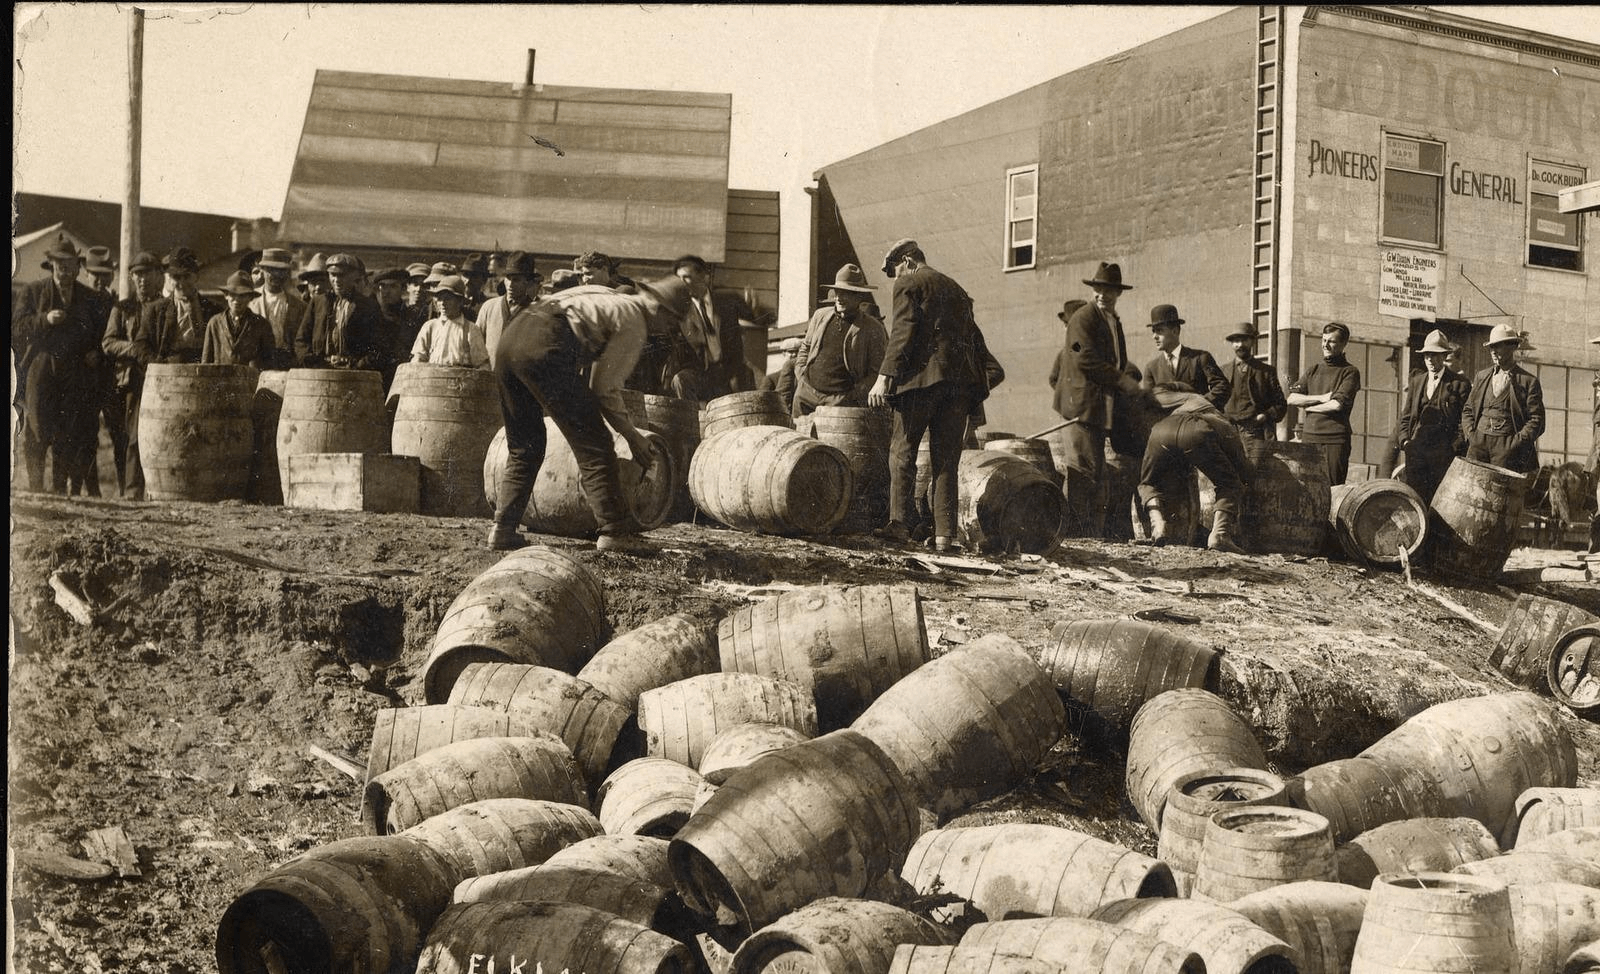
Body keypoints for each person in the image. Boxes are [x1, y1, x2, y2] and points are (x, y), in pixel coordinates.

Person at [487, 276, 692, 553]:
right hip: (545, 347)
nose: (668, 330)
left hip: (510, 341)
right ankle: (614, 530)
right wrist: (632, 436)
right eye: (671, 323)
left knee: (526, 445)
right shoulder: (634, 321)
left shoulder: (604, 294)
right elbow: (603, 389)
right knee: (596, 444)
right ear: (659, 309)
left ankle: (503, 528)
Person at [867, 239, 988, 554]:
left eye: (894, 272)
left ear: (906, 262)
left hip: (920, 385)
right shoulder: (957, 290)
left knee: (902, 451)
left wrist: (884, 378)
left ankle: (899, 525)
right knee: (946, 459)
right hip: (958, 387)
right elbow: (975, 341)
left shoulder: (910, 282)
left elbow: (902, 332)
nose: (895, 279)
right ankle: (945, 534)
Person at [1052, 262, 1143, 537]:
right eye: (1099, 289)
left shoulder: (1113, 321)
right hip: (1080, 407)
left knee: (1096, 470)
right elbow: (1084, 358)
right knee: (1083, 470)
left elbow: (1119, 359)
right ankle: (1077, 535)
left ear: (1118, 293)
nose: (1103, 294)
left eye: (1109, 290)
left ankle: (1089, 533)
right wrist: (1121, 380)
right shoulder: (1083, 318)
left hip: (1098, 408)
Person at [13, 235, 107, 493]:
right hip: (41, 370)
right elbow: (18, 328)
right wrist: (45, 319)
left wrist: (95, 352)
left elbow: (103, 335)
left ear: (78, 267)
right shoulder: (32, 292)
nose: (64, 270)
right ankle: (35, 488)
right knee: (37, 429)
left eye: (69, 265)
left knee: (68, 432)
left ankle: (58, 488)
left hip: (75, 373)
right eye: (59, 264)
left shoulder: (90, 298)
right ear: (51, 265)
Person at [1132, 390, 1252, 553]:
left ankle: (1157, 524)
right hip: (1196, 432)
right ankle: (1220, 534)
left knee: (1147, 482)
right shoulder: (1224, 423)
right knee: (1230, 484)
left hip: (1161, 430)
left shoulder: (1183, 401)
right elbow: (1242, 468)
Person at [101, 250, 165, 499]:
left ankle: (151, 491)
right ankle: (131, 492)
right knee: (130, 438)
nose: (142, 280)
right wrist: (134, 350)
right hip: (130, 381)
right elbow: (108, 343)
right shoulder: (124, 308)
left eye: (147, 274)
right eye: (137, 275)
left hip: (159, 380)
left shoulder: (165, 307)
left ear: (159, 277)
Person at [791, 263, 886, 419]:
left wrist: (851, 397)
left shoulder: (872, 328)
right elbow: (805, 347)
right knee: (797, 441)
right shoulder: (820, 316)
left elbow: (876, 371)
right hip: (805, 395)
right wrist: (801, 375)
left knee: (831, 443)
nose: (839, 298)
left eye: (846, 293)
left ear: (859, 296)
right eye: (837, 291)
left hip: (839, 403)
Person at [1395, 328, 1470, 501]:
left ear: (1444, 357)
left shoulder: (1460, 384)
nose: (1430, 359)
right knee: (1416, 500)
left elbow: (1464, 421)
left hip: (1443, 455)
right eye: (1427, 355)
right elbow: (1406, 416)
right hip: (1416, 452)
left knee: (1439, 502)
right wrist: (1405, 441)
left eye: (1435, 355)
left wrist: (1454, 448)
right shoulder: (1417, 382)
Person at [1461, 324, 1544, 475]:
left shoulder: (1528, 381)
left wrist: (1515, 443)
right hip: (1478, 446)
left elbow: (1537, 420)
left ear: (1512, 347)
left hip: (1508, 450)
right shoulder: (1482, 376)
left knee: (1502, 493)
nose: (1493, 351)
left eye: (1498, 346)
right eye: (1491, 347)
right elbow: (1468, 410)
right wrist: (1472, 436)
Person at [672, 254, 756, 400]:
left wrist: (755, 308)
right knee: (681, 379)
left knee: (745, 374)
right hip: (701, 374)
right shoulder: (680, 310)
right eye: (679, 279)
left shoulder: (726, 301)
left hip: (728, 372)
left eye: (686, 277)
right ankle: (691, 421)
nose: (682, 283)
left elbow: (755, 317)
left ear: (704, 276)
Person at [1288, 321, 1361, 486]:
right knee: (1307, 488)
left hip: (1334, 440)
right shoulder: (1313, 370)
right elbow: (1292, 398)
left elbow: (1336, 405)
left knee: (1332, 489)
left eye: (1332, 341)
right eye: (1323, 340)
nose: (1325, 345)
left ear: (1343, 344)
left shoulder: (1350, 372)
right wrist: (1321, 398)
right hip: (1309, 437)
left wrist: (1307, 406)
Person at [293, 253, 382, 369]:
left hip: (355, 375)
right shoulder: (318, 302)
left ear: (353, 277)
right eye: (333, 275)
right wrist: (313, 362)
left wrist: (357, 364)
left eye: (342, 275)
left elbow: (378, 346)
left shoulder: (368, 306)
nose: (336, 280)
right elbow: (301, 341)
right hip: (320, 372)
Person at [1140, 304, 1227, 406]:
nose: (1154, 336)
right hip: (1167, 420)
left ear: (1175, 331)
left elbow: (1222, 386)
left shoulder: (1200, 358)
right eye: (1153, 331)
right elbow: (1148, 403)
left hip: (1198, 418)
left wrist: (1200, 403)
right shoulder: (1151, 368)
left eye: (1159, 331)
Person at [1220, 322, 1287, 441]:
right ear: (1232, 344)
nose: (1240, 345)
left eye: (1244, 340)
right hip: (1228, 432)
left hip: (1257, 432)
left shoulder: (1266, 371)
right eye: (1236, 341)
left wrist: (1264, 416)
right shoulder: (1223, 371)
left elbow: (1280, 404)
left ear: (1253, 341)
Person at [477, 251, 541, 371]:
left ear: (527, 282)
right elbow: (476, 345)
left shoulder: (536, 312)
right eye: (508, 278)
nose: (510, 284)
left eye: (516, 279)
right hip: (489, 378)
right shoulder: (489, 307)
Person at [410, 276, 490, 368]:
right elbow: (418, 358)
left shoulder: (471, 329)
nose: (443, 303)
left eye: (448, 299)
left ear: (459, 301)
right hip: (432, 379)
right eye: (440, 299)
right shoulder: (430, 327)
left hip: (461, 380)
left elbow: (482, 364)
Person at [202, 272, 276, 369]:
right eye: (233, 295)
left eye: (242, 296)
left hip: (250, 380)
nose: (237, 300)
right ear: (226, 296)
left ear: (250, 297)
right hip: (220, 380)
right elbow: (206, 361)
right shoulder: (214, 323)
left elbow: (269, 360)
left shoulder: (261, 324)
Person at [249, 248, 306, 370]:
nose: (277, 275)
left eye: (281, 271)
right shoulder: (250, 301)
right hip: (257, 363)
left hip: (286, 364)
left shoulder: (298, 306)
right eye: (271, 270)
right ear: (262, 271)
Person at [761, 337, 802, 413]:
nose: (795, 355)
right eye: (791, 351)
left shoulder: (804, 377)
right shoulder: (771, 379)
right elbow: (763, 403)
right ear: (783, 353)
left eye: (798, 352)